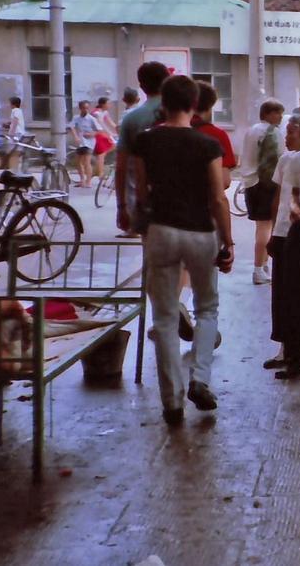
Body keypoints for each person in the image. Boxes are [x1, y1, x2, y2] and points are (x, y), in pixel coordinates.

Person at [131, 74, 234, 427]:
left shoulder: (146, 142)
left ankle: (171, 402)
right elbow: (218, 197)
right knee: (207, 308)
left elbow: (141, 191)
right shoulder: (207, 145)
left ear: (163, 103)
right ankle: (200, 379)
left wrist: (146, 213)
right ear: (194, 105)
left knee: (163, 318)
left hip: (161, 230)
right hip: (200, 232)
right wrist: (228, 242)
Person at [265, 113, 300, 378]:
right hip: (282, 232)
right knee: (281, 294)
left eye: (291, 131)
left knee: (299, 296)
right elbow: (277, 199)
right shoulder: (285, 160)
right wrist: (272, 232)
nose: (287, 136)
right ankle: (285, 349)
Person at [116, 61, 170, 236]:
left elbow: (121, 167)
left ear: (141, 86)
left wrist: (122, 207)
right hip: (181, 200)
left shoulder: (132, 119)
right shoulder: (182, 114)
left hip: (146, 198)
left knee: (151, 253)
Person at [240, 100, 286, 285]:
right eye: (277, 113)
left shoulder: (251, 131)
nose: (280, 117)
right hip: (265, 183)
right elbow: (276, 159)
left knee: (261, 227)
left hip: (250, 182)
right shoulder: (271, 133)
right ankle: (259, 268)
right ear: (267, 114)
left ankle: (263, 266)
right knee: (266, 227)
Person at [191, 81, 237, 189]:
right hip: (204, 202)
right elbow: (224, 181)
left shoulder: (163, 131)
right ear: (210, 106)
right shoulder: (217, 135)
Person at [69, 100, 100, 188]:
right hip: (80, 142)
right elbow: (72, 127)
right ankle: (82, 179)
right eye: (83, 108)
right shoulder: (76, 118)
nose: (85, 110)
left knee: (87, 162)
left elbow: (98, 130)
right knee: (78, 162)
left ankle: (88, 181)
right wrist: (75, 136)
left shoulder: (91, 119)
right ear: (80, 108)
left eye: (87, 108)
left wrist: (91, 134)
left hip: (89, 143)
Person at [91, 96, 118, 184]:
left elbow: (110, 122)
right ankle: (100, 173)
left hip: (103, 133)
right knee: (101, 154)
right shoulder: (96, 113)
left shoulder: (105, 112)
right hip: (97, 133)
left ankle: (98, 167)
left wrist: (118, 129)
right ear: (103, 104)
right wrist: (110, 133)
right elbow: (101, 124)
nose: (109, 105)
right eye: (108, 103)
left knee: (113, 145)